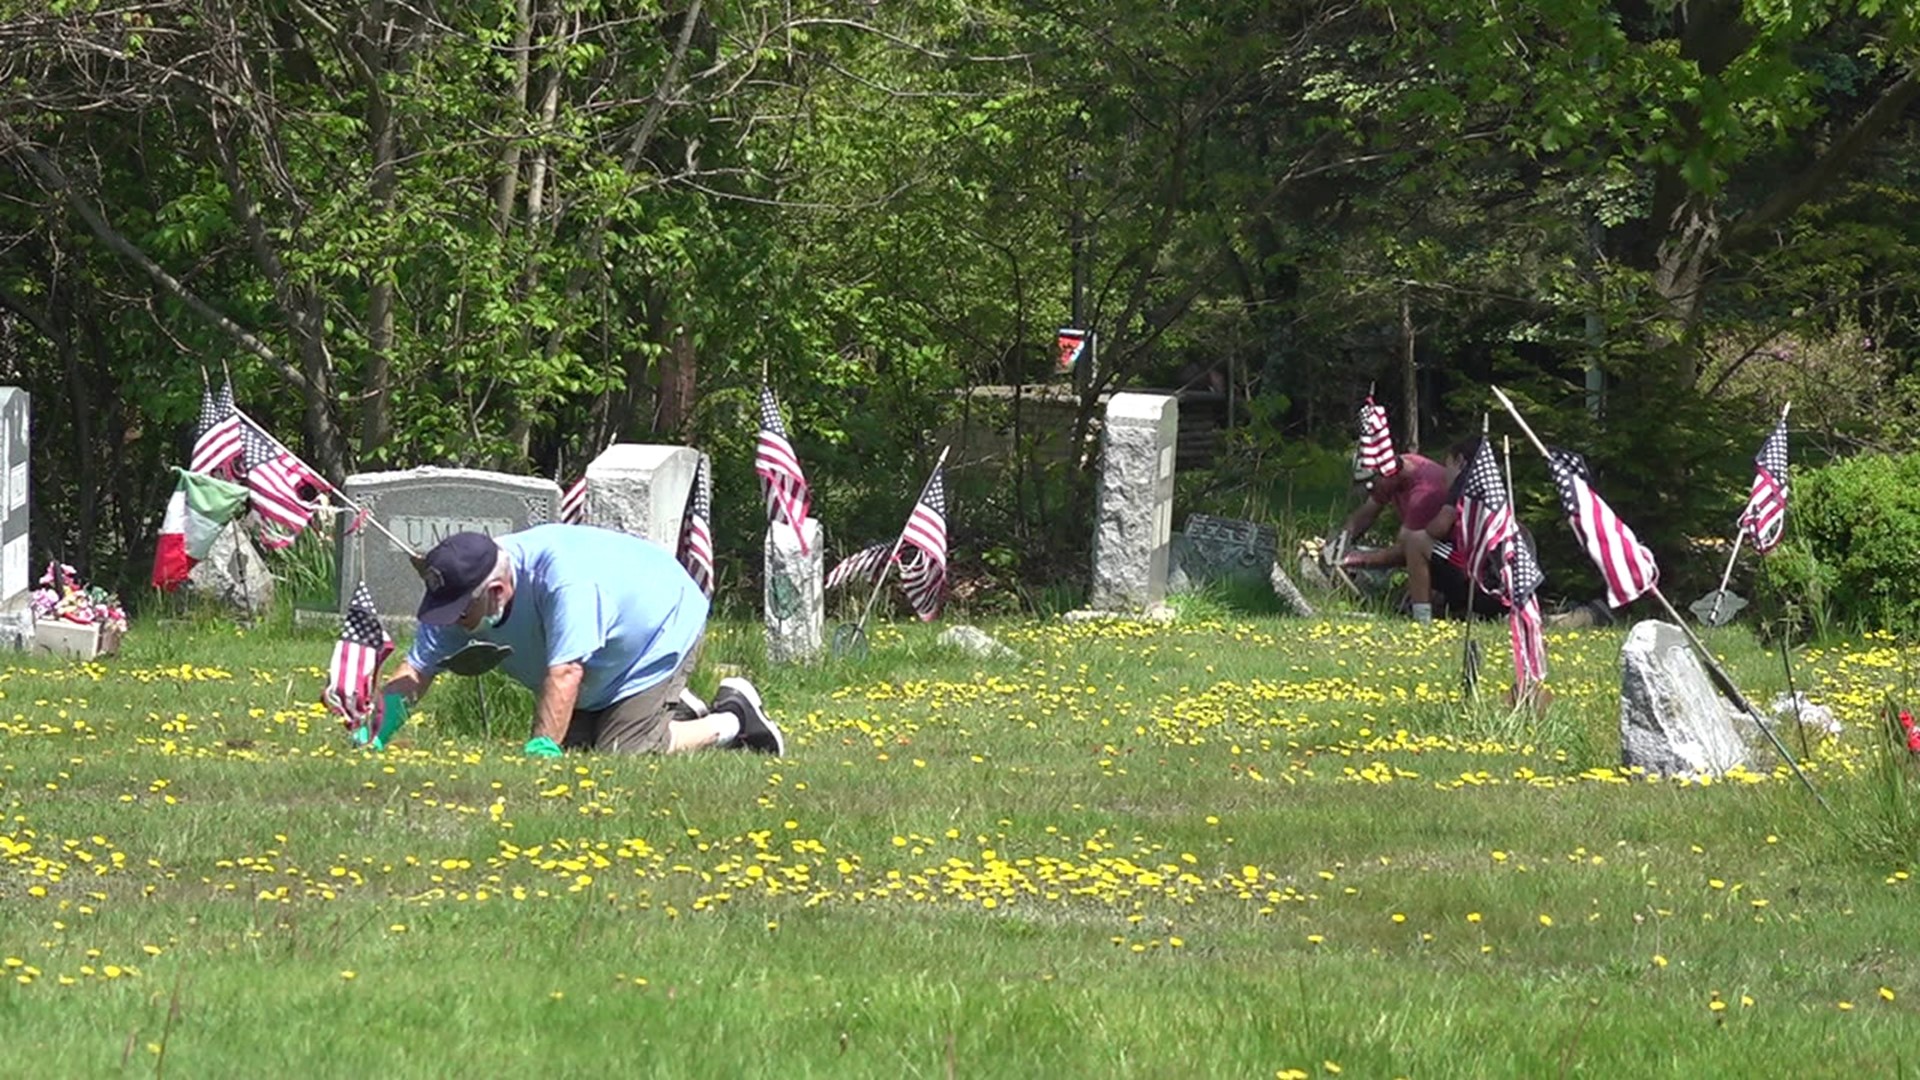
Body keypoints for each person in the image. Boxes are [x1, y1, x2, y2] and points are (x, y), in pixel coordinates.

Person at [380, 526, 784, 758]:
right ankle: (673, 708)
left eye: (457, 613)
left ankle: (734, 720)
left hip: (659, 625)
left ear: (498, 592)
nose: (449, 622)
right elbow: (417, 670)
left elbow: (567, 671)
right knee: (580, 750)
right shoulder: (461, 584)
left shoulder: (564, 582)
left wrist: (540, 752)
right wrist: (375, 732)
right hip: (599, 654)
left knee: (623, 753)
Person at [1329, 437, 1499, 624]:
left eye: (1373, 482)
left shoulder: (1431, 492)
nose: (1372, 487)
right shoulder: (1401, 470)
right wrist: (1340, 542)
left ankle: (1423, 617)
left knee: (1417, 543)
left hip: (1480, 579)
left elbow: (1410, 547)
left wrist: (1351, 559)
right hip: (1489, 575)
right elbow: (1366, 513)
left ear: (1458, 461)